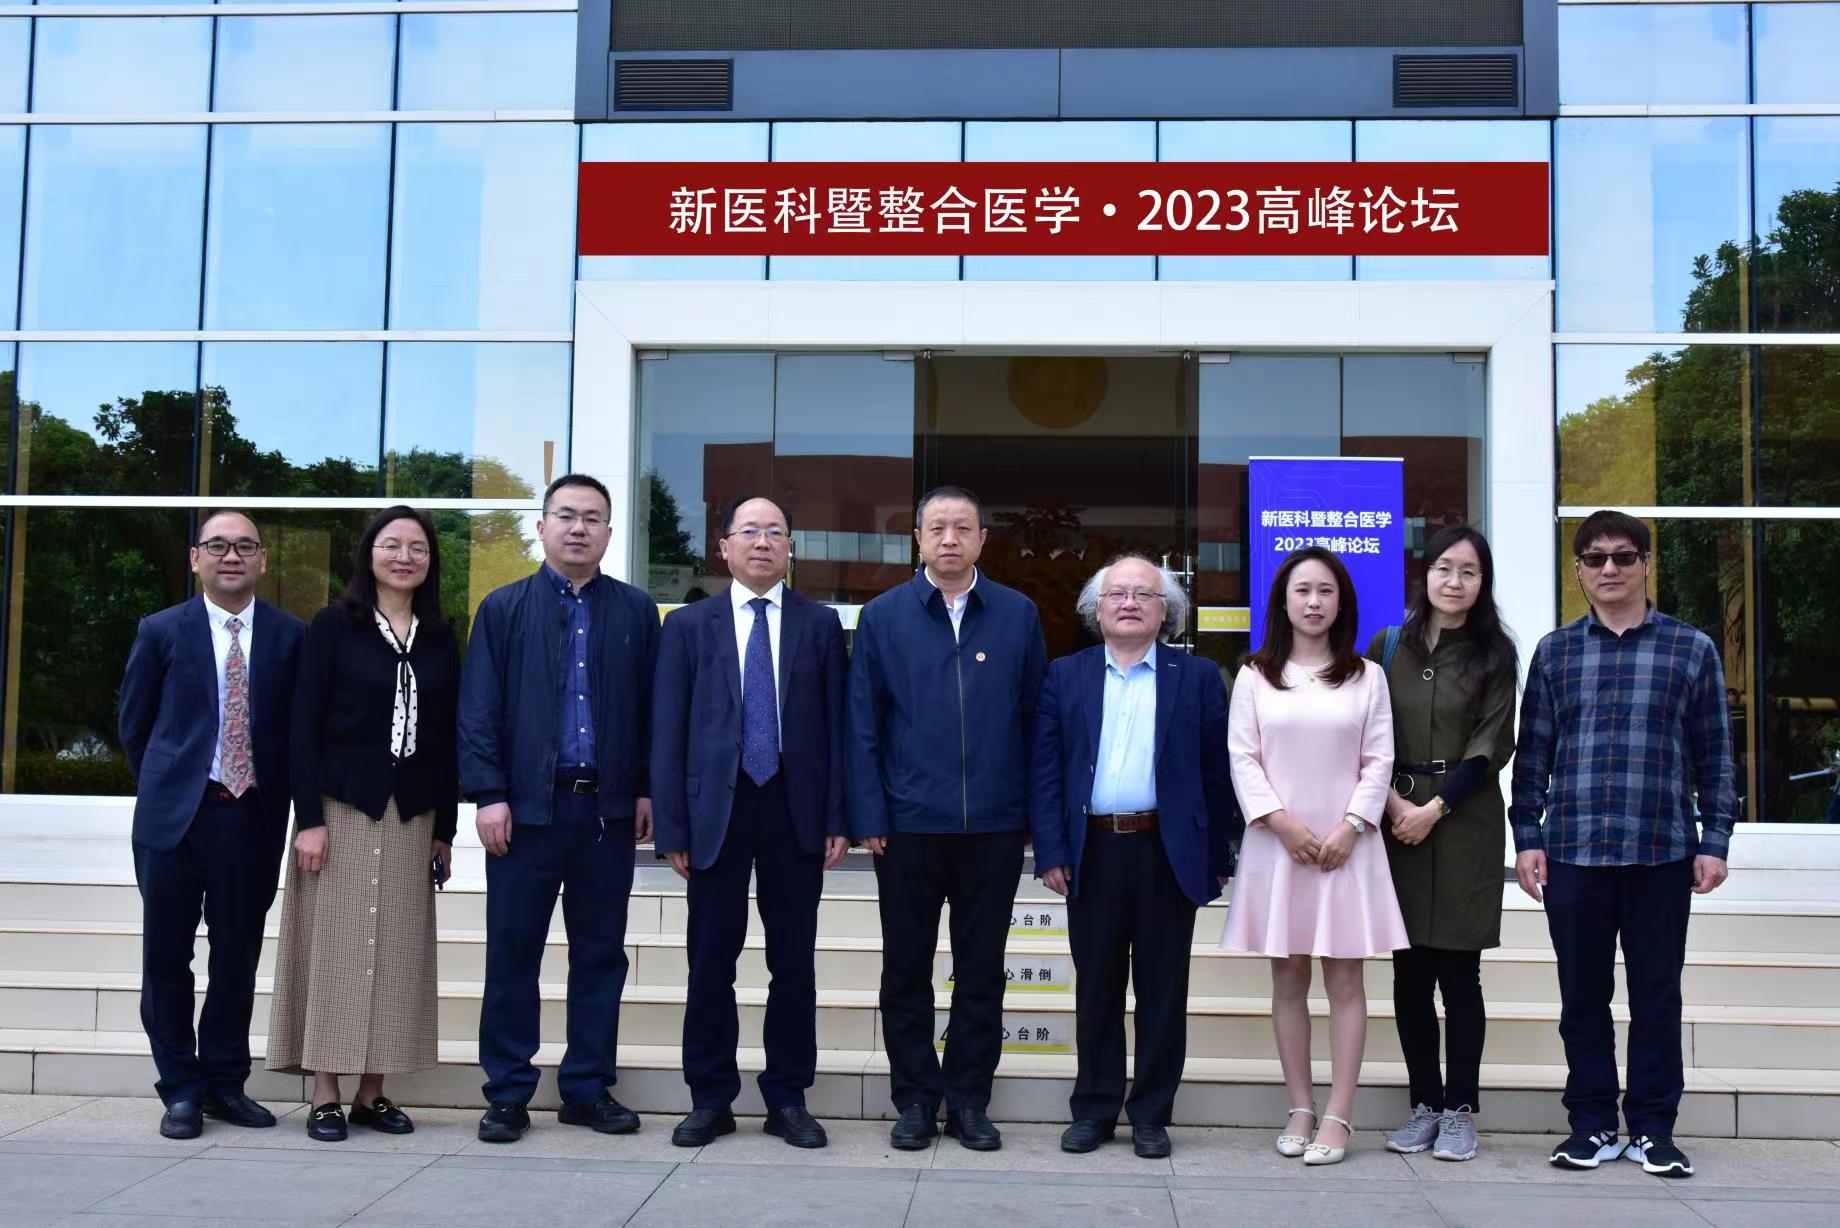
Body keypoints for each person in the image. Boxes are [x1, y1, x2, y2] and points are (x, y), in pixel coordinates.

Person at [1511, 510, 1736, 1180]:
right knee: (1581, 997)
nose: (1609, 568)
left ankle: (1652, 1130)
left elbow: (1715, 755)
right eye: (1595, 557)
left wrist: (1715, 839)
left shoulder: (1690, 649)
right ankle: (1590, 1124)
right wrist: (1527, 836)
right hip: (1574, 851)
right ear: (1579, 570)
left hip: (1661, 851)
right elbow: (1533, 755)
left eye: (1624, 556)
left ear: (1645, 564)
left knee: (1656, 997)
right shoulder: (1555, 652)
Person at [459, 474, 661, 1143]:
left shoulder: (636, 612)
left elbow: (653, 711)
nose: (579, 528)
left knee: (601, 956)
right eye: (566, 516)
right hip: (525, 815)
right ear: (542, 526)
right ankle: (507, 1093)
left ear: (609, 532)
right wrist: (489, 794)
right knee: (513, 955)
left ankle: (587, 1089)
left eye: (593, 518)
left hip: (605, 815)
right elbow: (478, 709)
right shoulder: (503, 608)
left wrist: (646, 788)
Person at [848, 485, 1047, 1152]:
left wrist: (1031, 815)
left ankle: (968, 1100)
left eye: (963, 527)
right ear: (918, 539)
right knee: (905, 969)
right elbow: (862, 723)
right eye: (937, 528)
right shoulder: (884, 616)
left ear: (983, 539)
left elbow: (1035, 721)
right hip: (908, 825)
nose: (950, 539)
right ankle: (914, 1099)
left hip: (993, 826)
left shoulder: (1017, 615)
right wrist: (869, 811)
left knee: (981, 970)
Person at [652, 495, 850, 1150]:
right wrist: (673, 827)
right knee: (711, 960)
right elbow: (667, 730)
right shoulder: (688, 625)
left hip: (796, 810)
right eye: (749, 531)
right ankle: (710, 1097)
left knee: (793, 962)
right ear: (724, 547)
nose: (763, 542)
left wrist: (838, 816)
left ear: (790, 547)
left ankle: (787, 1097)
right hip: (717, 811)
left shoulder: (820, 624)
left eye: (776, 532)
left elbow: (838, 727)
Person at [1030, 555, 1240, 1160]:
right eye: (1116, 594)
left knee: (1162, 991)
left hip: (1166, 852)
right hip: (1092, 850)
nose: (1129, 603)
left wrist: (1216, 855)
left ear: (1165, 611)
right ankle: (1094, 1109)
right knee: (1096, 986)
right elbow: (1045, 770)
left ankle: (1151, 1113)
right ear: (1096, 610)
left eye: (1144, 594)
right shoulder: (1065, 674)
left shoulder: (1196, 676)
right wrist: (1051, 849)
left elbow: (1217, 773)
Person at [267, 505, 460, 1141]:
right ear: (369, 554)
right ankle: (325, 1092)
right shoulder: (334, 625)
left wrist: (444, 828)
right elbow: (302, 727)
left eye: (418, 548)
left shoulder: (439, 637)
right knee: (335, 951)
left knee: (398, 955)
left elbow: (445, 740)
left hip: (412, 817)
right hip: (341, 811)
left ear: (430, 561)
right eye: (392, 545)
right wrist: (309, 820)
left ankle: (372, 1094)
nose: (405, 557)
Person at [117, 511, 306, 1139]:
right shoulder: (160, 630)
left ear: (262, 561)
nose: (232, 556)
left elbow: (297, 733)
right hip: (175, 820)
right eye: (218, 545)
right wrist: (171, 784)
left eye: (245, 546)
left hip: (250, 818)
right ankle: (180, 1088)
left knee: (237, 957)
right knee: (166, 957)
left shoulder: (290, 636)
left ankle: (225, 1084)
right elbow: (135, 725)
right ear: (195, 558)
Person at [1221, 545, 1405, 1166]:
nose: (1314, 601)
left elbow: (1379, 760)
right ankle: (1300, 1105)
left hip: (1347, 848)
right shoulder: (1254, 675)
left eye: (1326, 591)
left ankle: (1339, 1113)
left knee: (1346, 980)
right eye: (1302, 590)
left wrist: (1352, 826)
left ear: (1342, 602)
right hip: (1279, 846)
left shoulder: (1367, 676)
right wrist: (1283, 825)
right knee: (1288, 978)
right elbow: (1243, 759)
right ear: (1282, 601)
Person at [1365, 526, 1518, 1163]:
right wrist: (1392, 804)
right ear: (1424, 573)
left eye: (1469, 572)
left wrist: (1433, 809)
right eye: (1444, 568)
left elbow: (1491, 745)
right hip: (1395, 817)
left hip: (1464, 821)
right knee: (1409, 973)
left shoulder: (1495, 653)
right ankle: (1423, 1105)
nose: (1454, 582)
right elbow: (1365, 732)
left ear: (1483, 583)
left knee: (1459, 973)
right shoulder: (1387, 645)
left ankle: (1460, 1111)